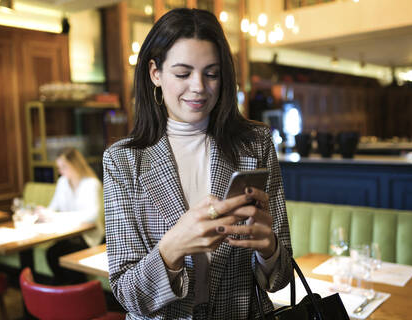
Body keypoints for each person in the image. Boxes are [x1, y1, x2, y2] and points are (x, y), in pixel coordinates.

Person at [103, 8, 292, 319]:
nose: (199, 87)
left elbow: (280, 277)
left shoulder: (255, 143)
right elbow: (128, 294)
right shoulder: (123, 160)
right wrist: (172, 248)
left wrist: (269, 247)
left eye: (211, 73)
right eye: (182, 73)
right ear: (155, 73)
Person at [41, 147, 104, 284]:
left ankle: (75, 292)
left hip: (89, 237)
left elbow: (93, 215)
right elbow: (53, 208)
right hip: (69, 235)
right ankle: (64, 292)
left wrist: (58, 217)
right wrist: (43, 212)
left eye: (64, 166)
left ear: (75, 164)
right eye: (59, 167)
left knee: (68, 257)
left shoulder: (92, 184)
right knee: (51, 253)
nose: (61, 171)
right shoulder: (62, 183)